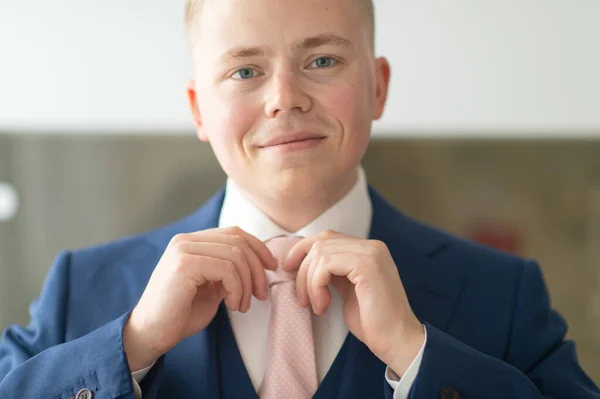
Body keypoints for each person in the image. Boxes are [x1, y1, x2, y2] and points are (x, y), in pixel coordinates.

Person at [0, 0, 598, 398]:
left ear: (378, 86)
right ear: (196, 110)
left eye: (322, 60)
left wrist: (419, 356)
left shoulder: (505, 295)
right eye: (243, 72)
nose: (284, 98)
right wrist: (131, 346)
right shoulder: (84, 290)